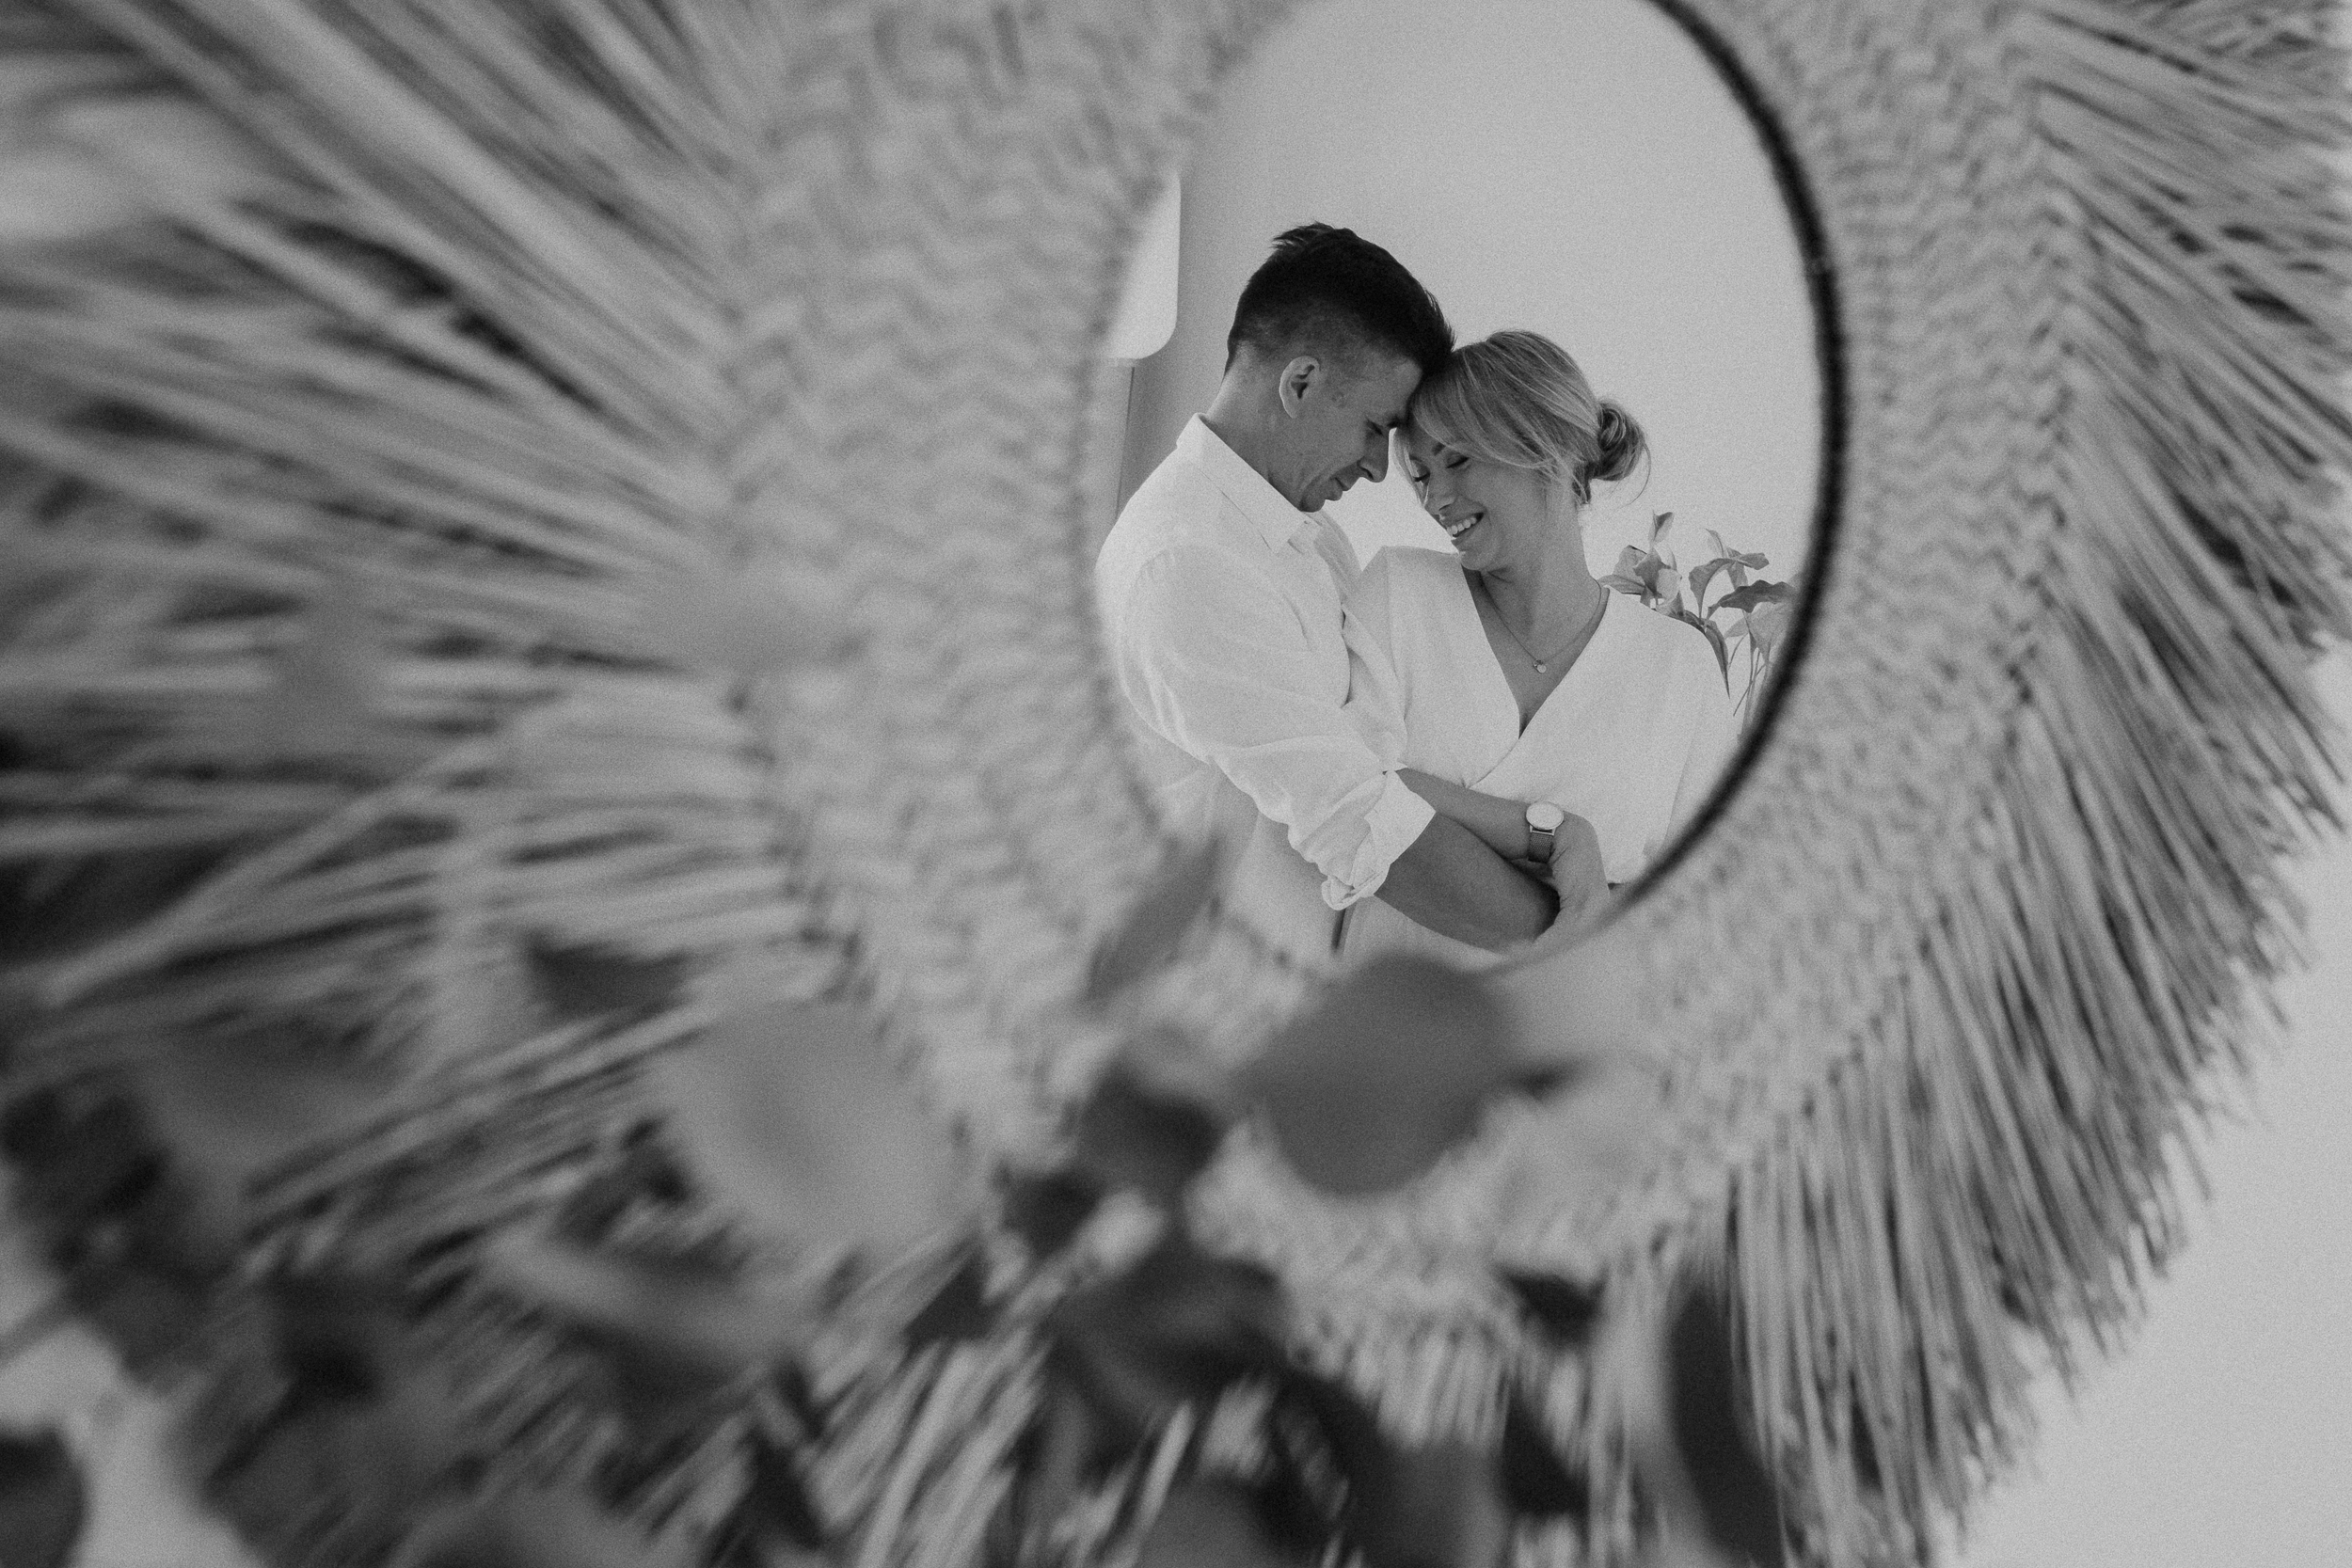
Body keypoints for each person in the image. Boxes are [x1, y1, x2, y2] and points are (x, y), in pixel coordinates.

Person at [1095, 226, 1608, 969]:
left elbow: (1376, 770)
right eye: (1376, 428)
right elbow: (1356, 817)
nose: (1378, 468)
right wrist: (1586, 937)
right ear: (1300, 382)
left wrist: (1552, 831)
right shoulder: (1185, 565)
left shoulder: (1308, 537)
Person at [1336, 328, 1738, 969]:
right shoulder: (1399, 593)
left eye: (1457, 461)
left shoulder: (1679, 667)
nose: (1436, 498)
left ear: (1546, 450)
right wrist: (1554, 835)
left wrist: (1414, 796)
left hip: (1576, 1016)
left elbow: (1699, 904)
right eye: (1422, 474)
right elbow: (1339, 787)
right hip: (1395, 1008)